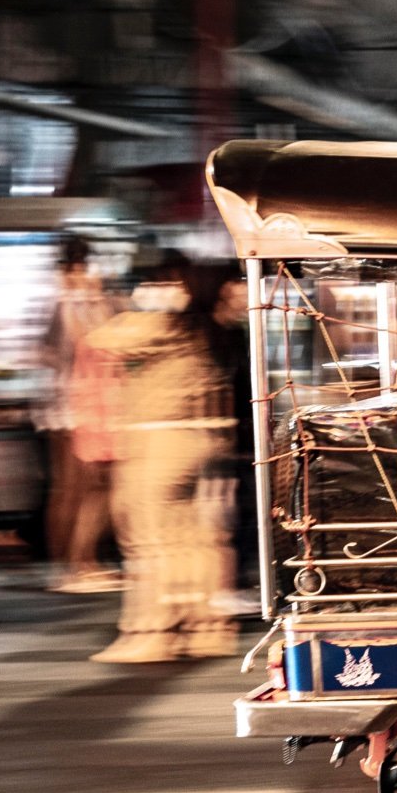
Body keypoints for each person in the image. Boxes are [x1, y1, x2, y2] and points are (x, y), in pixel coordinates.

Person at [80, 251, 238, 662]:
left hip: (159, 441)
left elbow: (104, 338)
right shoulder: (210, 327)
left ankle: (151, 631)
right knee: (194, 538)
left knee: (148, 540)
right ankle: (207, 628)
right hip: (201, 439)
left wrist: (143, 302)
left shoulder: (166, 322)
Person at [39, 235, 119, 593]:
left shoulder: (72, 299)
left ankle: (81, 562)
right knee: (75, 488)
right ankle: (73, 566)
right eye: (77, 264)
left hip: (79, 406)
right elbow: (76, 346)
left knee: (85, 487)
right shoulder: (64, 301)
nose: (82, 271)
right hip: (70, 409)